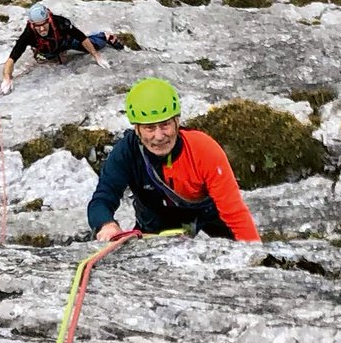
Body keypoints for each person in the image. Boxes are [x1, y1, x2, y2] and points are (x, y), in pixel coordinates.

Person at [87, 78, 260, 242]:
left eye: (165, 125)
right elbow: (102, 199)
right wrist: (107, 225)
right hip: (154, 222)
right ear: (137, 129)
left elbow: (234, 212)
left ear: (177, 122)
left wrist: (256, 254)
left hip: (206, 215)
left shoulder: (203, 149)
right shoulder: (126, 153)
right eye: (149, 128)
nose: (159, 136)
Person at [0, 3, 124, 95]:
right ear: (32, 25)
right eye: (37, 26)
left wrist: (96, 56)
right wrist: (7, 78)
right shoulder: (28, 34)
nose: (41, 29)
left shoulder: (61, 23)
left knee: (94, 45)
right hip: (47, 50)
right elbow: (12, 58)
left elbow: (81, 37)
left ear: (49, 19)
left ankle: (103, 36)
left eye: (44, 24)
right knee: (44, 61)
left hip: (65, 42)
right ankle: (57, 54)